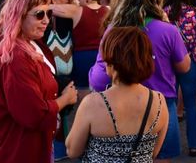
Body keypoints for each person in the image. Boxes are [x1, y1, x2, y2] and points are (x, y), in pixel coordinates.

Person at [89, 0, 190, 162]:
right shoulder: (168, 30)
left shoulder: (114, 30)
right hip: (162, 105)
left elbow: (99, 78)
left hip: (122, 105)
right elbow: (184, 67)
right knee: (161, 158)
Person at [0, 0, 78, 163]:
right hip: (18, 149)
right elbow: (33, 113)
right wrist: (66, 99)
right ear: (19, 15)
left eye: (48, 13)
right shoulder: (16, 57)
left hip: (30, 144)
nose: (47, 21)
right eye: (39, 14)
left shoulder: (30, 44)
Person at [66, 26, 169, 161]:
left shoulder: (93, 103)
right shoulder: (159, 101)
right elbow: (153, 153)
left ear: (111, 61)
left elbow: (73, 151)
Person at [163, 0, 196, 156]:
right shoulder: (194, 13)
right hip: (190, 63)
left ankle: (166, 144)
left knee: (169, 104)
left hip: (169, 64)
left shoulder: (164, 13)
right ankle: (194, 144)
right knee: (190, 105)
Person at [49, 0, 109, 91]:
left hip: (82, 57)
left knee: (82, 91)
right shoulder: (108, 10)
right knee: (102, 91)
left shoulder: (76, 11)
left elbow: (50, 7)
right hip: (103, 56)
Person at [42, 0, 75, 160]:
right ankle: (61, 147)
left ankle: (60, 148)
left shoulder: (55, 16)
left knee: (60, 106)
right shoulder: (55, 18)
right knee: (60, 106)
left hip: (55, 64)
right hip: (58, 65)